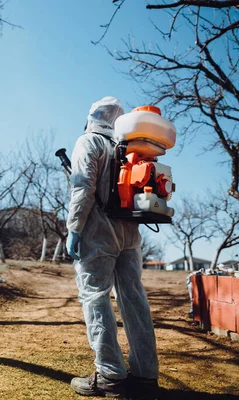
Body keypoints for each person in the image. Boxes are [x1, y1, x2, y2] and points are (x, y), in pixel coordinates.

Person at [66, 97, 160, 399]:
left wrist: (74, 229)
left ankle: (109, 374)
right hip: (130, 235)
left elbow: (83, 188)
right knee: (134, 300)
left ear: (93, 115)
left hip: (99, 234)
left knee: (95, 298)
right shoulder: (129, 148)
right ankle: (146, 376)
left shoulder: (89, 141)